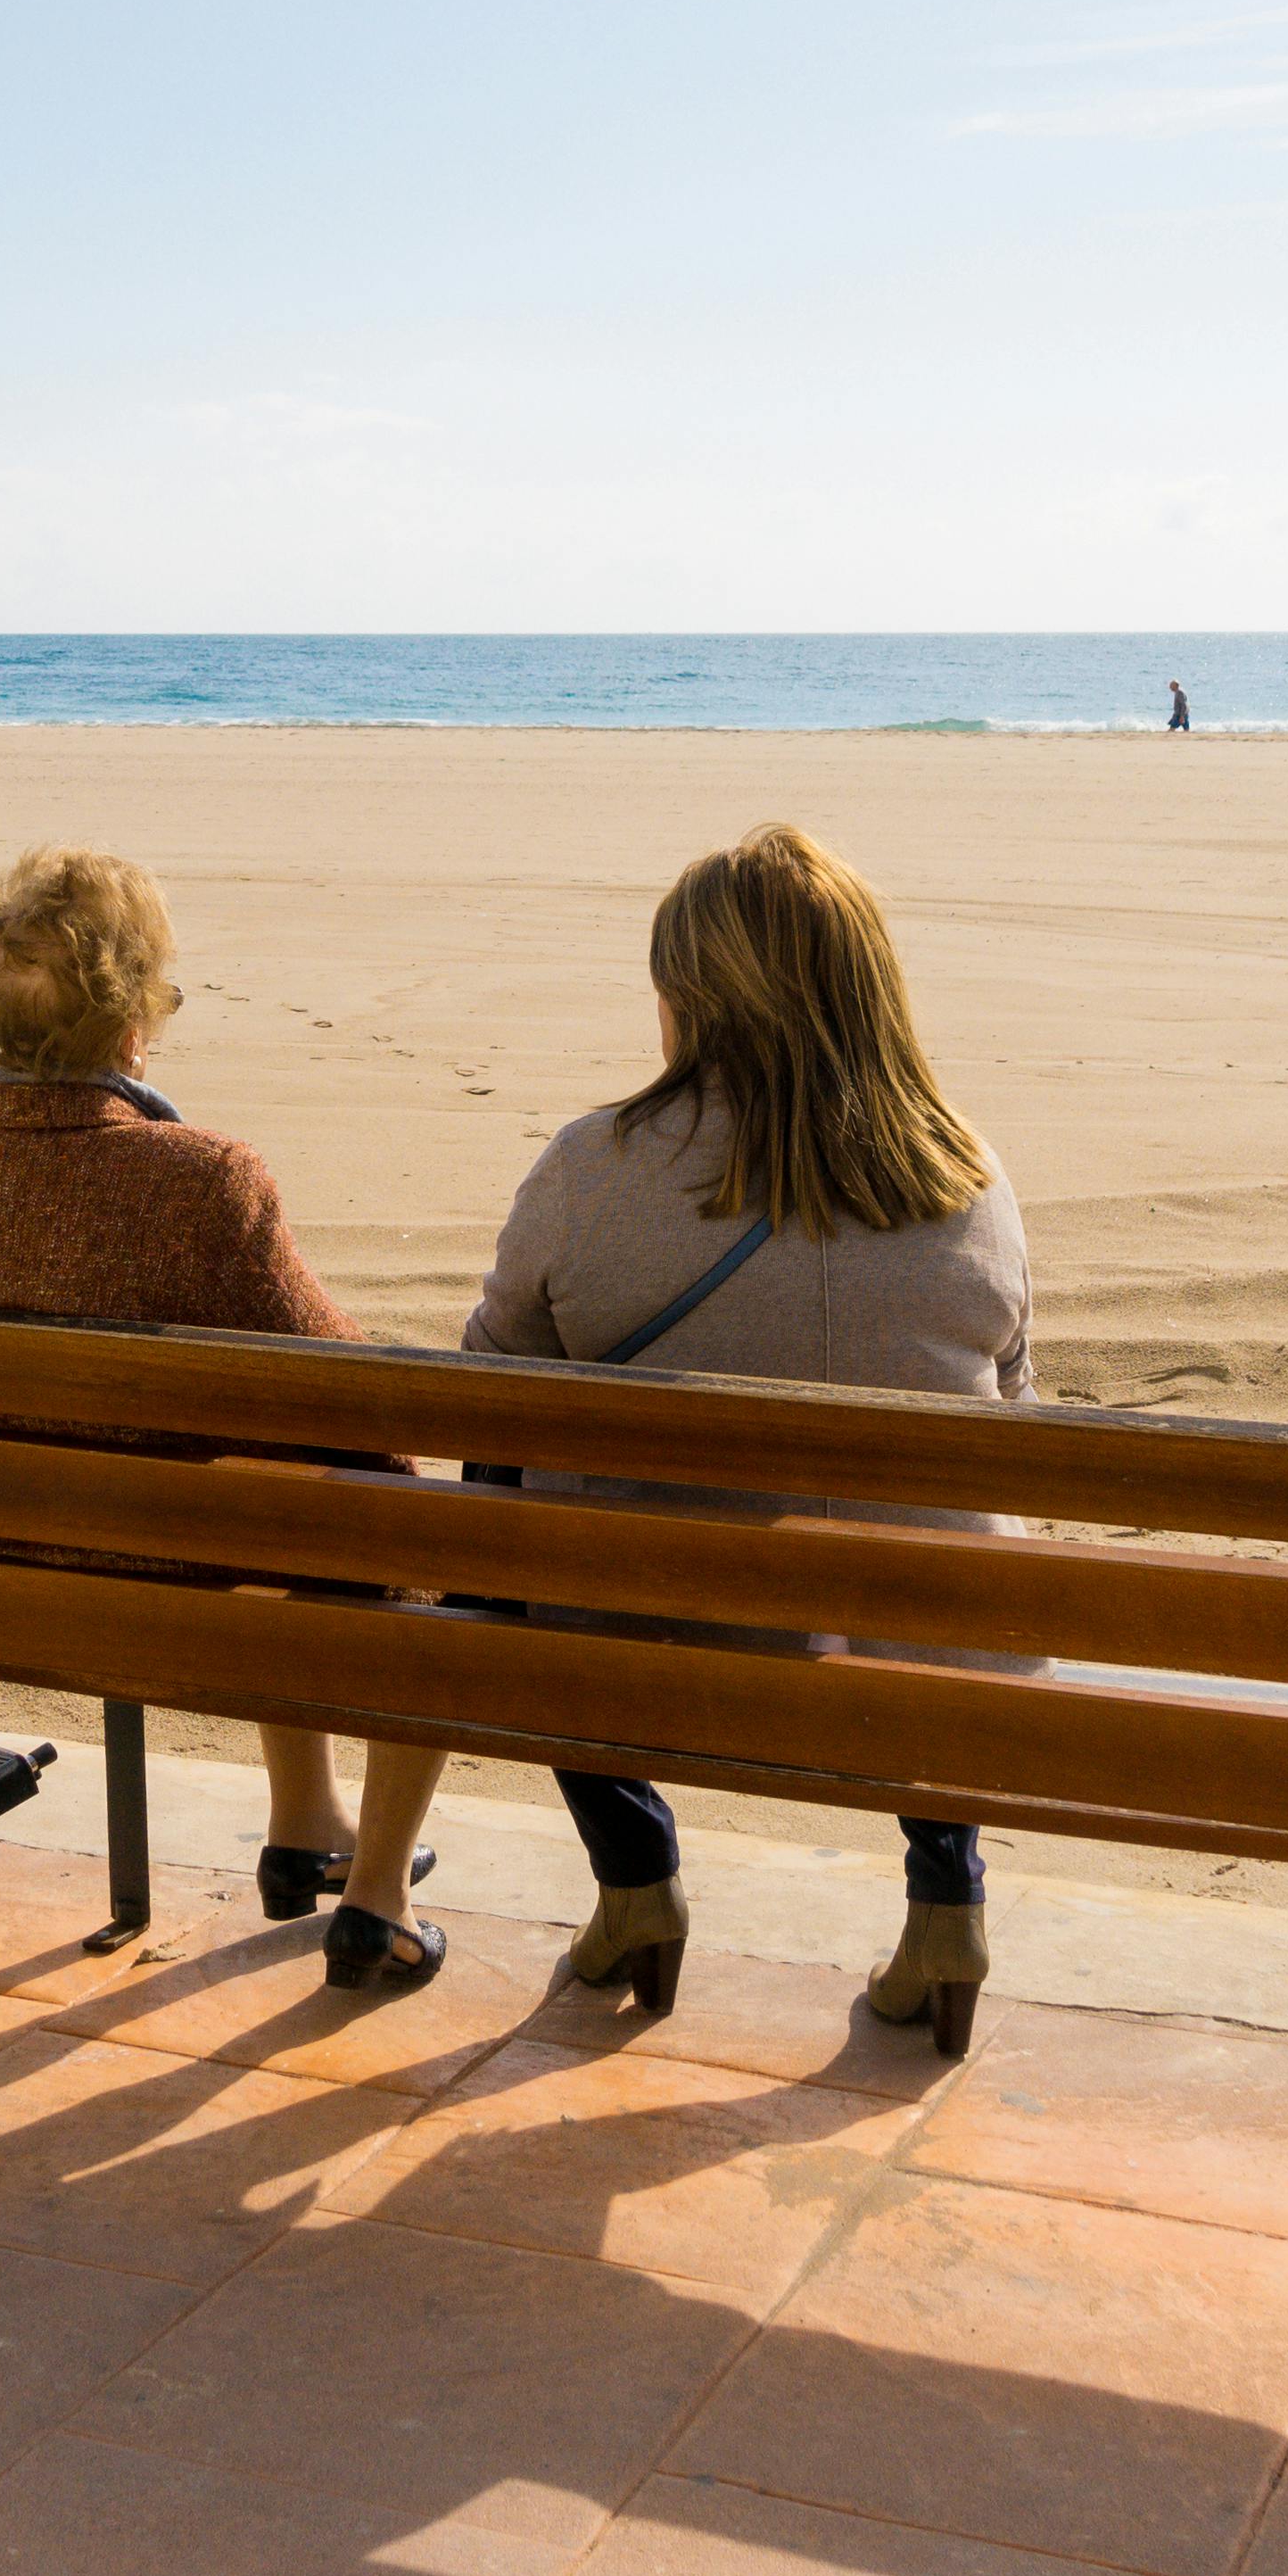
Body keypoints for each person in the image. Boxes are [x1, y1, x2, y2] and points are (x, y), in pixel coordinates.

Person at [463, 823, 1032, 2027]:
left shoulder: (588, 1166)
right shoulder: (966, 1176)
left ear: (686, 1003)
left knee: (522, 1524)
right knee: (935, 1547)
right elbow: (1012, 1403)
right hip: (916, 1650)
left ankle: (636, 1884)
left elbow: (492, 1387)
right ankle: (947, 1898)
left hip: (647, 1642)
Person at [0, 845, 456, 1992]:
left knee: (275, 1481)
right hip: (181, 1603)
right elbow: (349, 1395)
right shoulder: (202, 1179)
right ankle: (376, 1896)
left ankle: (306, 1821)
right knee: (397, 1517)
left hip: (6, 1590)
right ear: (132, 1015)